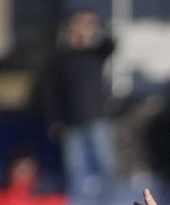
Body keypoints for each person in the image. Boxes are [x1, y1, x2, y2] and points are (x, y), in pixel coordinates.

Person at [42, 10, 118, 194]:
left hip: (96, 116)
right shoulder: (61, 58)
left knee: (105, 163)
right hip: (70, 122)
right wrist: (55, 120)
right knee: (75, 169)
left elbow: (111, 43)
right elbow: (52, 93)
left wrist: (94, 29)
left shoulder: (96, 53)